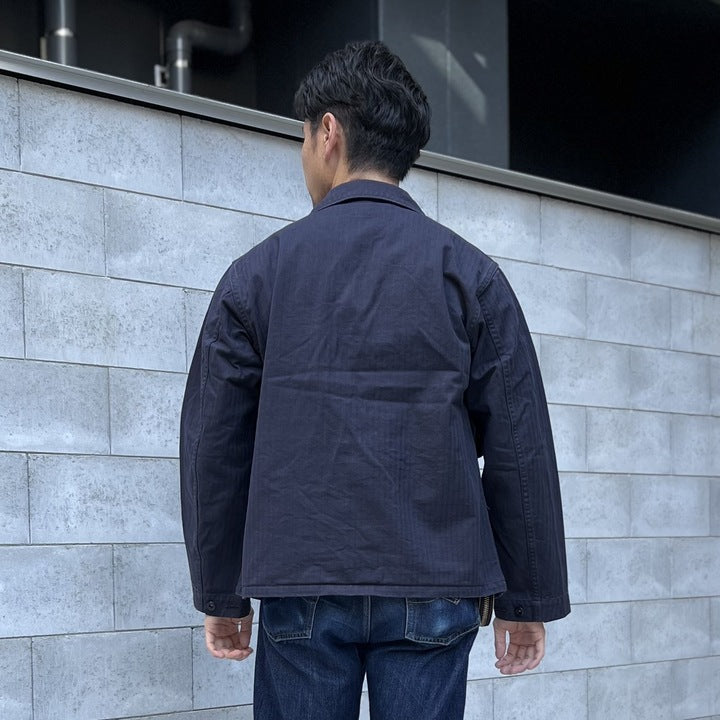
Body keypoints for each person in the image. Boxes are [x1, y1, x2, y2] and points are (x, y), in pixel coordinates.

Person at [180, 40, 570, 720]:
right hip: (435, 575)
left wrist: (221, 591)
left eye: (303, 136)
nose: (305, 154)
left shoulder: (256, 278)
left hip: (301, 579)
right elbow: (520, 443)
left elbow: (215, 444)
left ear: (328, 132)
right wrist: (526, 598)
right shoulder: (470, 276)